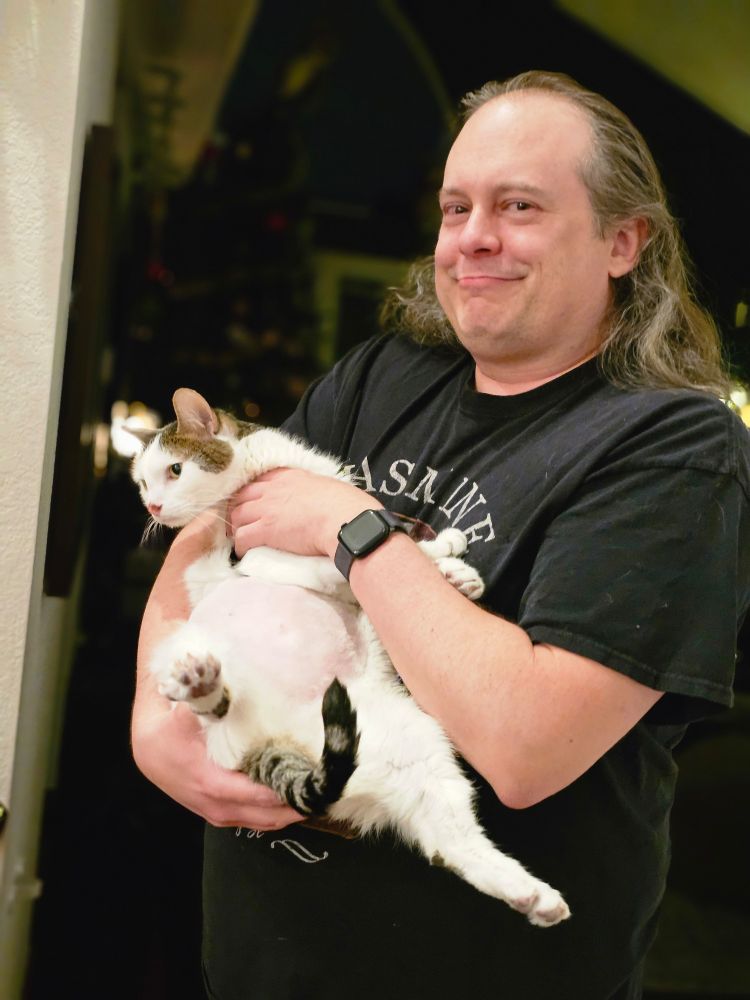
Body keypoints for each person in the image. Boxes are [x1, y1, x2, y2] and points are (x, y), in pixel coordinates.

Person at [132, 71, 750, 999]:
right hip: (266, 961)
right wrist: (152, 729)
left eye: (519, 206)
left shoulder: (674, 444)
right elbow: (205, 533)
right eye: (456, 206)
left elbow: (525, 746)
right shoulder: (387, 373)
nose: (473, 239)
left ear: (624, 241)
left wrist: (351, 527)